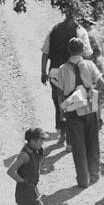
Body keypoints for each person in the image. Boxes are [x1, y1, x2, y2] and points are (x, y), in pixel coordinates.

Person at [55, 38, 103, 188]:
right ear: (82, 50)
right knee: (92, 140)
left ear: (69, 51)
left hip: (72, 108)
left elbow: (59, 91)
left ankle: (83, 180)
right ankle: (94, 173)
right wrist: (98, 100)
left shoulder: (62, 69)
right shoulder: (90, 65)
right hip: (89, 105)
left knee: (78, 145)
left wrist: (61, 109)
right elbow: (102, 83)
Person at [41, 7, 93, 139]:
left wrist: (43, 71)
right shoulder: (80, 31)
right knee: (72, 101)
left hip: (55, 72)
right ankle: (70, 136)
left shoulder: (54, 29)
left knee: (57, 101)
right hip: (72, 73)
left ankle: (61, 131)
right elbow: (87, 54)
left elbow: (45, 52)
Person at [6, 128, 59, 205]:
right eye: (41, 140)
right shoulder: (24, 155)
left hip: (29, 192)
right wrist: (23, 182)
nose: (43, 143)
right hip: (25, 193)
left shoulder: (35, 151)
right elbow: (10, 171)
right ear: (32, 141)